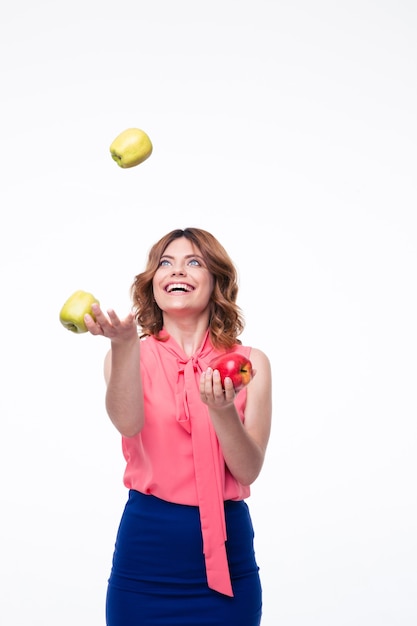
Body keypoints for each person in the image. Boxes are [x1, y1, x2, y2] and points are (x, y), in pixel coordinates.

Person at [84, 227, 272, 626]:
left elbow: (248, 470)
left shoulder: (249, 362)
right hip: (146, 558)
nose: (176, 271)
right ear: (152, 284)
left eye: (194, 262)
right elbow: (127, 422)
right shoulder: (131, 352)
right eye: (165, 263)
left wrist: (221, 411)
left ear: (216, 280)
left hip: (228, 557)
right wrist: (122, 346)